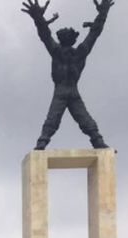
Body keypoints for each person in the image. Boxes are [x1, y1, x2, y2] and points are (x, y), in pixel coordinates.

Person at [22, 0, 113, 149]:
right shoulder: (58, 52)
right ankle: (43, 141)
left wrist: (103, 14)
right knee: (54, 117)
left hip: (71, 91)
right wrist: (38, 18)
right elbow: (45, 35)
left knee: (82, 117)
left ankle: (96, 140)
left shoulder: (78, 53)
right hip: (61, 90)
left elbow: (94, 33)